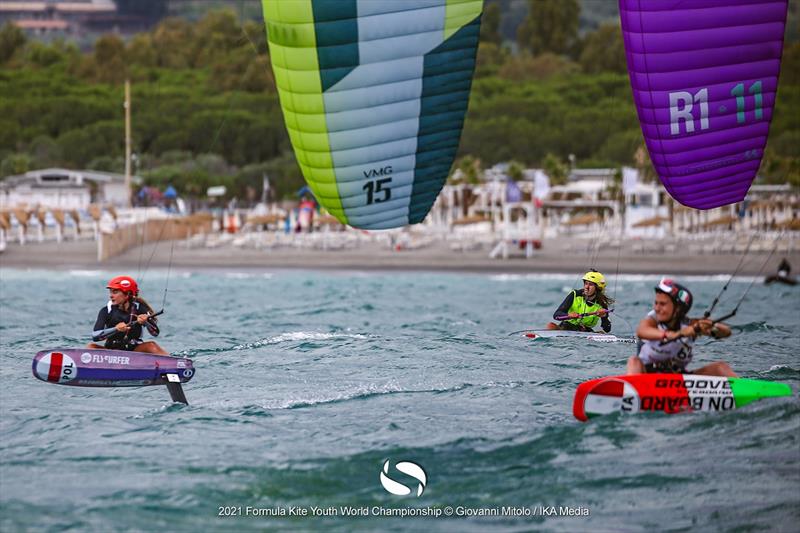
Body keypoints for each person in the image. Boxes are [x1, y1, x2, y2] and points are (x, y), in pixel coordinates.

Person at [627, 278, 735, 376]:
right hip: (646, 378)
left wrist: (710, 327)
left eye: (662, 304)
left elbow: (727, 332)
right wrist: (675, 334)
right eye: (656, 303)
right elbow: (641, 331)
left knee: (721, 368)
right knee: (633, 361)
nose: (657, 308)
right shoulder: (652, 320)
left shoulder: (691, 325)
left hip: (679, 380)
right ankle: (631, 390)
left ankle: (745, 392)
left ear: (678, 308)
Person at [87, 276, 167, 355]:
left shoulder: (140, 308)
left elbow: (155, 333)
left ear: (127, 294)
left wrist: (145, 322)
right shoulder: (106, 311)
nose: (111, 295)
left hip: (134, 351)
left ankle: (175, 363)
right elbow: (95, 336)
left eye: (115, 292)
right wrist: (116, 329)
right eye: (110, 292)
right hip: (111, 351)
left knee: (151, 346)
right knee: (91, 347)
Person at [548, 270, 613, 332]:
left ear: (597, 288)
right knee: (550, 326)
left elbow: (607, 329)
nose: (586, 287)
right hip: (566, 328)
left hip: (585, 331)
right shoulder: (575, 294)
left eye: (590, 285)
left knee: (601, 332)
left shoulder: (602, 303)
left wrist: (604, 316)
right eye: (586, 283)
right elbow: (556, 315)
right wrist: (569, 315)